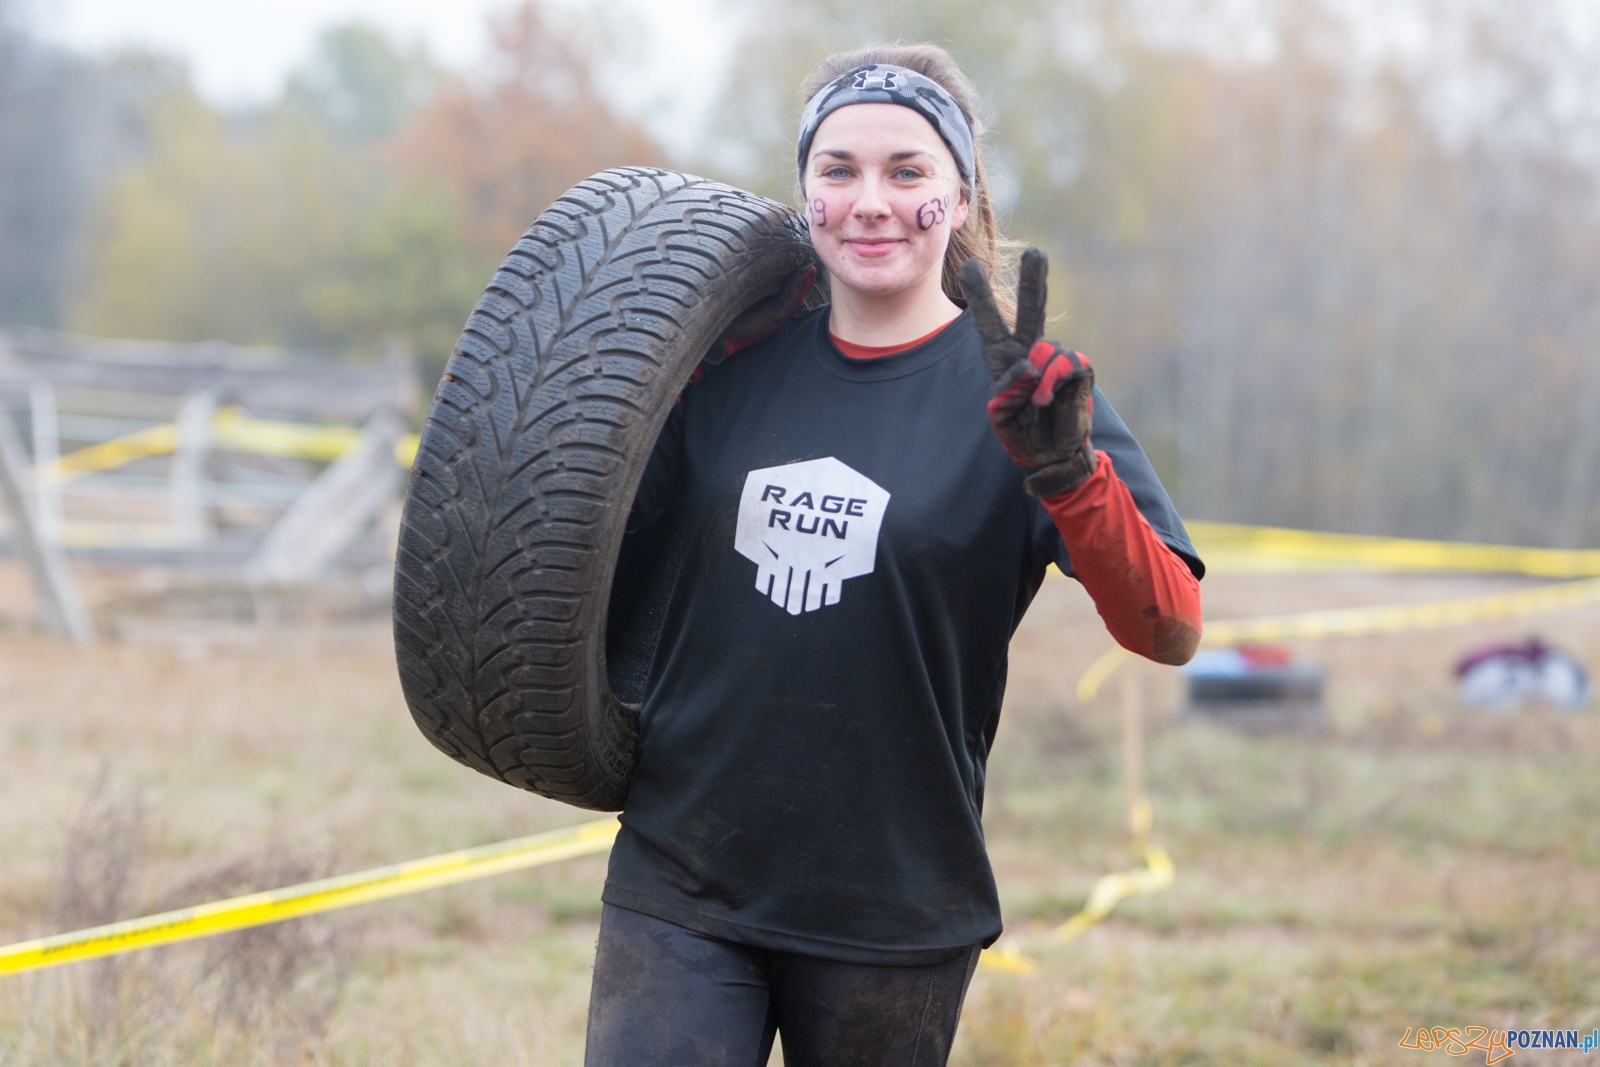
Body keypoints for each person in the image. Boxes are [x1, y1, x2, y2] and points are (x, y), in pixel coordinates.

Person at [585, 42, 1204, 1067]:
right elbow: (592, 562)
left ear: (957, 199)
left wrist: (1067, 474)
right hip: (682, 874)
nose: (870, 202)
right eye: (839, 170)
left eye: (906, 171)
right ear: (807, 197)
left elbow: (1170, 626)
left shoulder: (1030, 399)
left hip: (895, 905)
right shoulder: (721, 372)